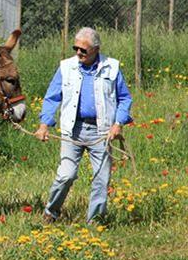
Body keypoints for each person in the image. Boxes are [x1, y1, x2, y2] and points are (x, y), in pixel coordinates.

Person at [34, 27, 133, 224]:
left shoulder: (111, 68)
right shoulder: (66, 68)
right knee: (66, 175)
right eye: (76, 48)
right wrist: (44, 124)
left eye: (83, 50)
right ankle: (50, 212)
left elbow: (124, 98)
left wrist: (118, 123)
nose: (78, 53)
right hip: (73, 131)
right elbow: (52, 97)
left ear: (96, 49)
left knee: (101, 179)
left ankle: (95, 223)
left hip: (102, 132)